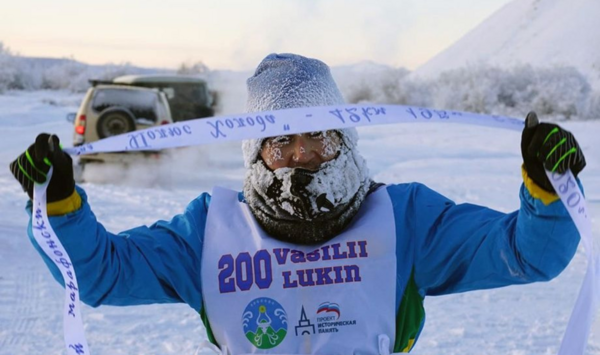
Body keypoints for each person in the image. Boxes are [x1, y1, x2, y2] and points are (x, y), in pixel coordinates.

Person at [10, 53, 586, 354]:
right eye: (281, 140)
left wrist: (546, 188)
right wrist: (59, 204)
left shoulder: (407, 221)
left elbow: (527, 254)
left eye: (319, 134)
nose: (303, 153)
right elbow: (102, 275)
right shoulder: (210, 232)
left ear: (346, 137)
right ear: (257, 151)